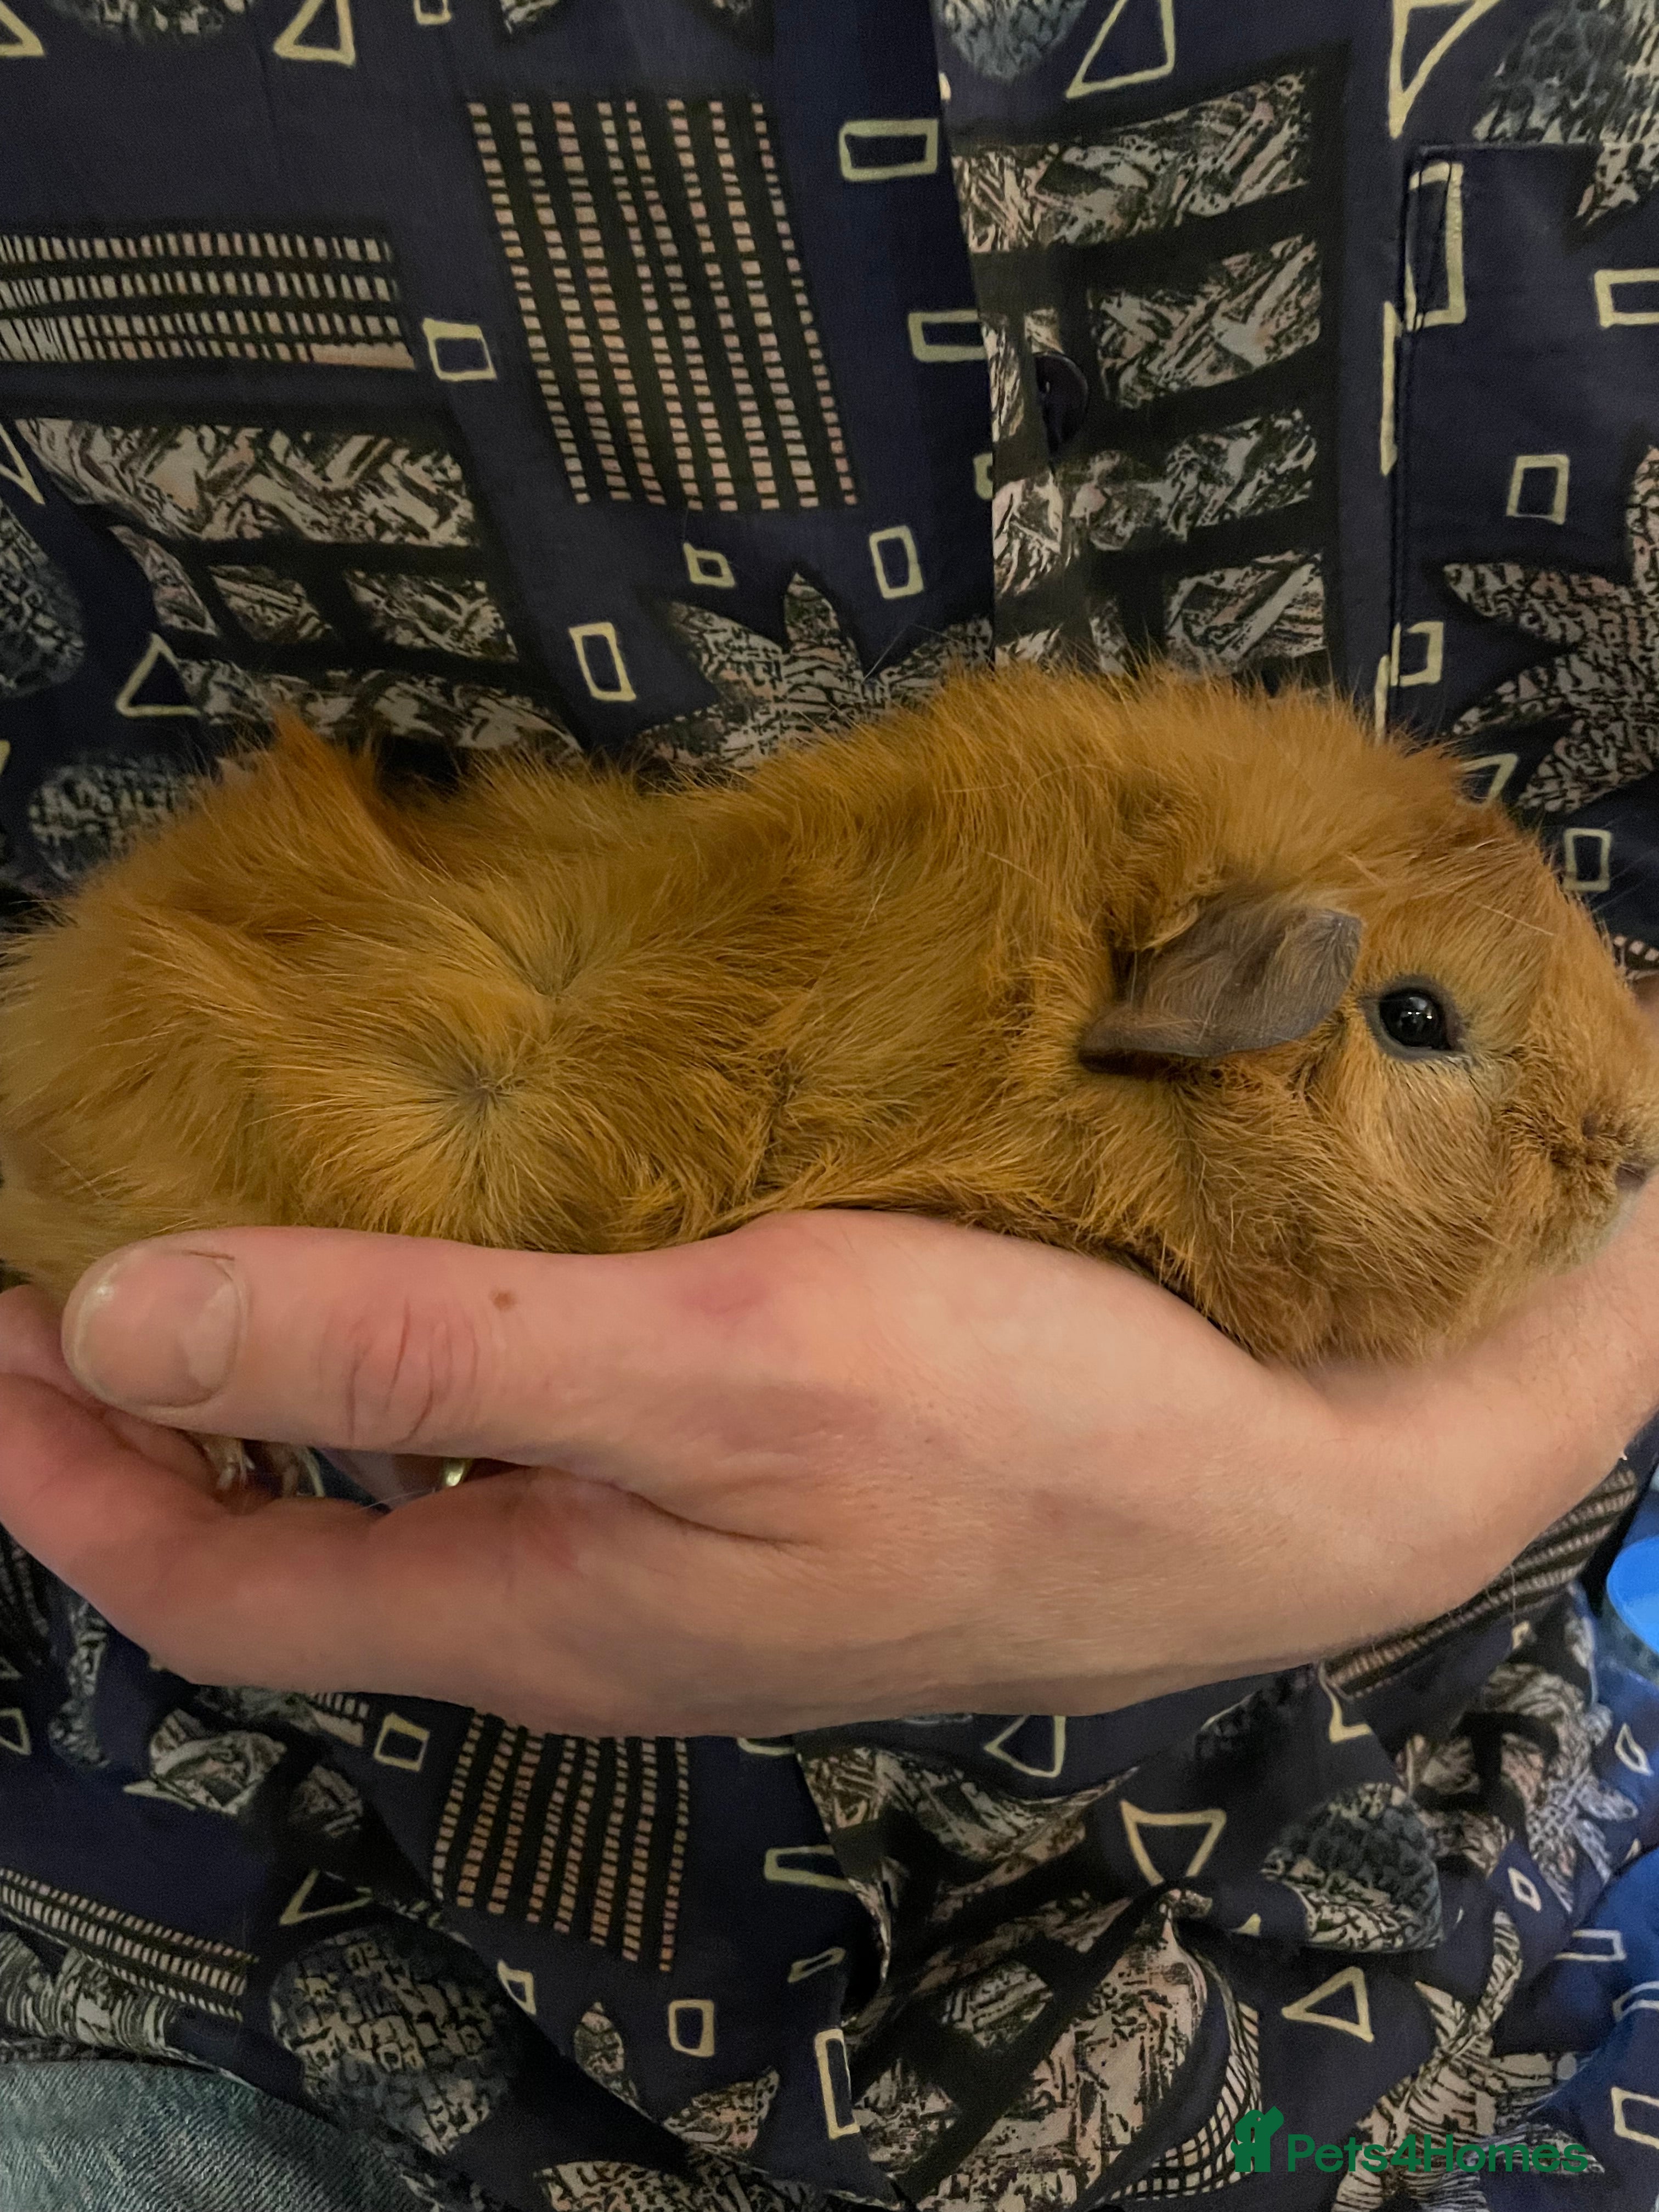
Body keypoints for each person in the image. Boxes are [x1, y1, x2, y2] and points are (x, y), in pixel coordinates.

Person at [3, 2, 1659, 2207]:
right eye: (1430, 1034)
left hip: (1439, 1908)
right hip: (190, 1926)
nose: (1603, 1137)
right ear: (1185, 1005)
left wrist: (1468, 1456)